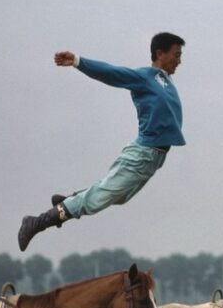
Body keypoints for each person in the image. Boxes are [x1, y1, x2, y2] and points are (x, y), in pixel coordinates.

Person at [17, 32, 185, 251]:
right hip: (143, 154)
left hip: (153, 157)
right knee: (98, 199)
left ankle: (70, 199)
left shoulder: (164, 80)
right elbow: (111, 72)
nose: (179, 61)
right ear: (159, 53)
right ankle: (37, 222)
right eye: (176, 55)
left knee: (119, 196)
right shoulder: (145, 77)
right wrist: (78, 61)